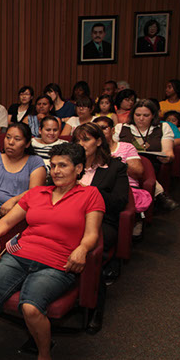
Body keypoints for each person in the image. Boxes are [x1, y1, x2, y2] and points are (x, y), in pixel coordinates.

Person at [0, 143, 104, 360]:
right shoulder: (37, 193)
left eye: (64, 165)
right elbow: (6, 220)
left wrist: (82, 249)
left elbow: (92, 234)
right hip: (20, 255)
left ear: (79, 168)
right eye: (54, 165)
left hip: (58, 262)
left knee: (30, 306)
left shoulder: (90, 194)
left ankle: (44, 359)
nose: (57, 171)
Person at [72, 122, 129, 332]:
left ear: (98, 141)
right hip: (70, 219)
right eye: (77, 140)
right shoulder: (68, 165)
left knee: (90, 251)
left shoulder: (115, 167)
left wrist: (89, 192)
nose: (81, 144)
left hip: (103, 221)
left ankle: (96, 306)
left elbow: (119, 202)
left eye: (86, 139)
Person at [115, 99, 177, 211]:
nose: (141, 118)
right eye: (137, 115)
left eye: (146, 115)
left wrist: (167, 158)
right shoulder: (121, 128)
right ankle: (159, 194)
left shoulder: (163, 128)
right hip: (126, 164)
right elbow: (112, 148)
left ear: (153, 115)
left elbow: (169, 152)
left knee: (144, 165)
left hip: (153, 164)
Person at [94, 117, 150, 237]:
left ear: (113, 130)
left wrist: (116, 163)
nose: (100, 132)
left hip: (126, 187)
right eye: (97, 129)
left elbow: (138, 172)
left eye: (104, 128)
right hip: (102, 186)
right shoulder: (91, 150)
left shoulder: (126, 147)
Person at [0, 123, 46, 215]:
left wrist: (13, 200)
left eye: (17, 139)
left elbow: (34, 192)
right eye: (8, 137)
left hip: (18, 211)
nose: (10, 142)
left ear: (27, 143)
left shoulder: (35, 162)